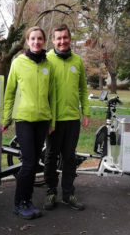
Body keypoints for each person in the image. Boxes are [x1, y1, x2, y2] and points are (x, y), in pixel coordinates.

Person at [1, 26, 55, 220]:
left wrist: (52, 121)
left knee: (34, 164)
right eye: (32, 38)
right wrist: (6, 119)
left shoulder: (49, 65)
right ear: (27, 41)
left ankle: (28, 200)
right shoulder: (18, 62)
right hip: (24, 120)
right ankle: (18, 203)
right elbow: (10, 93)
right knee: (29, 163)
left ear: (43, 41)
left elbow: (52, 95)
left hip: (43, 120)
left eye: (40, 38)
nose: (36, 42)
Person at [43, 24, 90, 211]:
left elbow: (83, 88)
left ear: (70, 39)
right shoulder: (45, 58)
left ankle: (68, 194)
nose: (62, 41)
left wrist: (86, 112)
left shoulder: (77, 61)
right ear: (53, 40)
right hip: (52, 120)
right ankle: (50, 192)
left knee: (70, 157)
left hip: (72, 118)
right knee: (51, 156)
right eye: (58, 38)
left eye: (65, 37)